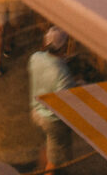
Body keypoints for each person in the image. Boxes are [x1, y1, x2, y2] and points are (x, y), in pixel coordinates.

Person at [29, 26, 75, 173]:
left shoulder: (35, 58)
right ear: (64, 46)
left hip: (36, 112)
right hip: (52, 120)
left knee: (50, 144)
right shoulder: (63, 73)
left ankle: (51, 165)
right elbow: (64, 101)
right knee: (54, 161)